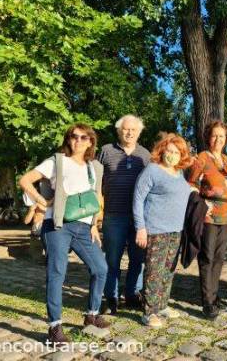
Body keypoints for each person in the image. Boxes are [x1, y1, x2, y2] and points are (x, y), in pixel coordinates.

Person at [19, 124, 109, 343]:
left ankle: (92, 314)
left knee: (100, 268)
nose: (77, 141)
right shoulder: (56, 161)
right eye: (73, 136)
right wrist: (42, 201)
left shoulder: (94, 167)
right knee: (57, 273)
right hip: (57, 225)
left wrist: (94, 225)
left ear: (90, 141)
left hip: (83, 227)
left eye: (83, 137)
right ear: (68, 140)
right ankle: (54, 327)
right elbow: (24, 180)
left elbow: (95, 198)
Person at [133, 133, 192, 328]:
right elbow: (138, 198)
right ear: (162, 150)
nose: (173, 155)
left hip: (176, 229)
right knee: (154, 271)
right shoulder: (152, 170)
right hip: (156, 229)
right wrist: (140, 227)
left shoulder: (179, 172)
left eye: (177, 152)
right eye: (170, 151)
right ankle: (149, 312)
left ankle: (162, 304)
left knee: (168, 269)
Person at [98, 115, 150, 314]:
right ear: (119, 131)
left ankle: (132, 294)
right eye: (126, 129)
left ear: (139, 132)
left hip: (138, 218)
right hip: (113, 214)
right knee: (112, 258)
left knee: (138, 258)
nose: (129, 133)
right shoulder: (106, 151)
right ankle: (111, 297)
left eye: (133, 130)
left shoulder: (145, 155)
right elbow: (96, 183)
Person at [188, 120, 227, 319]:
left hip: (226, 215)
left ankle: (214, 295)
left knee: (219, 257)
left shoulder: (225, 159)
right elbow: (191, 183)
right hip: (209, 214)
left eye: (222, 136)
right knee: (207, 257)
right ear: (208, 137)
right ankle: (207, 301)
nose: (218, 139)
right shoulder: (202, 157)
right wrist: (201, 205)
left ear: (226, 139)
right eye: (214, 135)